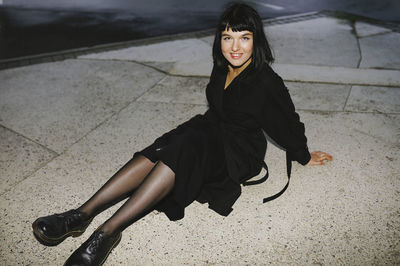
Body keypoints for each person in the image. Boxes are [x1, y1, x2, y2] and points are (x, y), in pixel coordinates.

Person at [32, 3, 332, 266]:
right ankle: (80, 215)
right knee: (166, 145)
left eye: (244, 38)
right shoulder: (222, 65)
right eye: (228, 37)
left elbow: (288, 122)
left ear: (257, 41)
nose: (235, 47)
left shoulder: (267, 82)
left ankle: (106, 233)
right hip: (210, 129)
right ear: (220, 39)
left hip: (239, 152)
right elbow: (216, 110)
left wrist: (303, 155)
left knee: (187, 144)